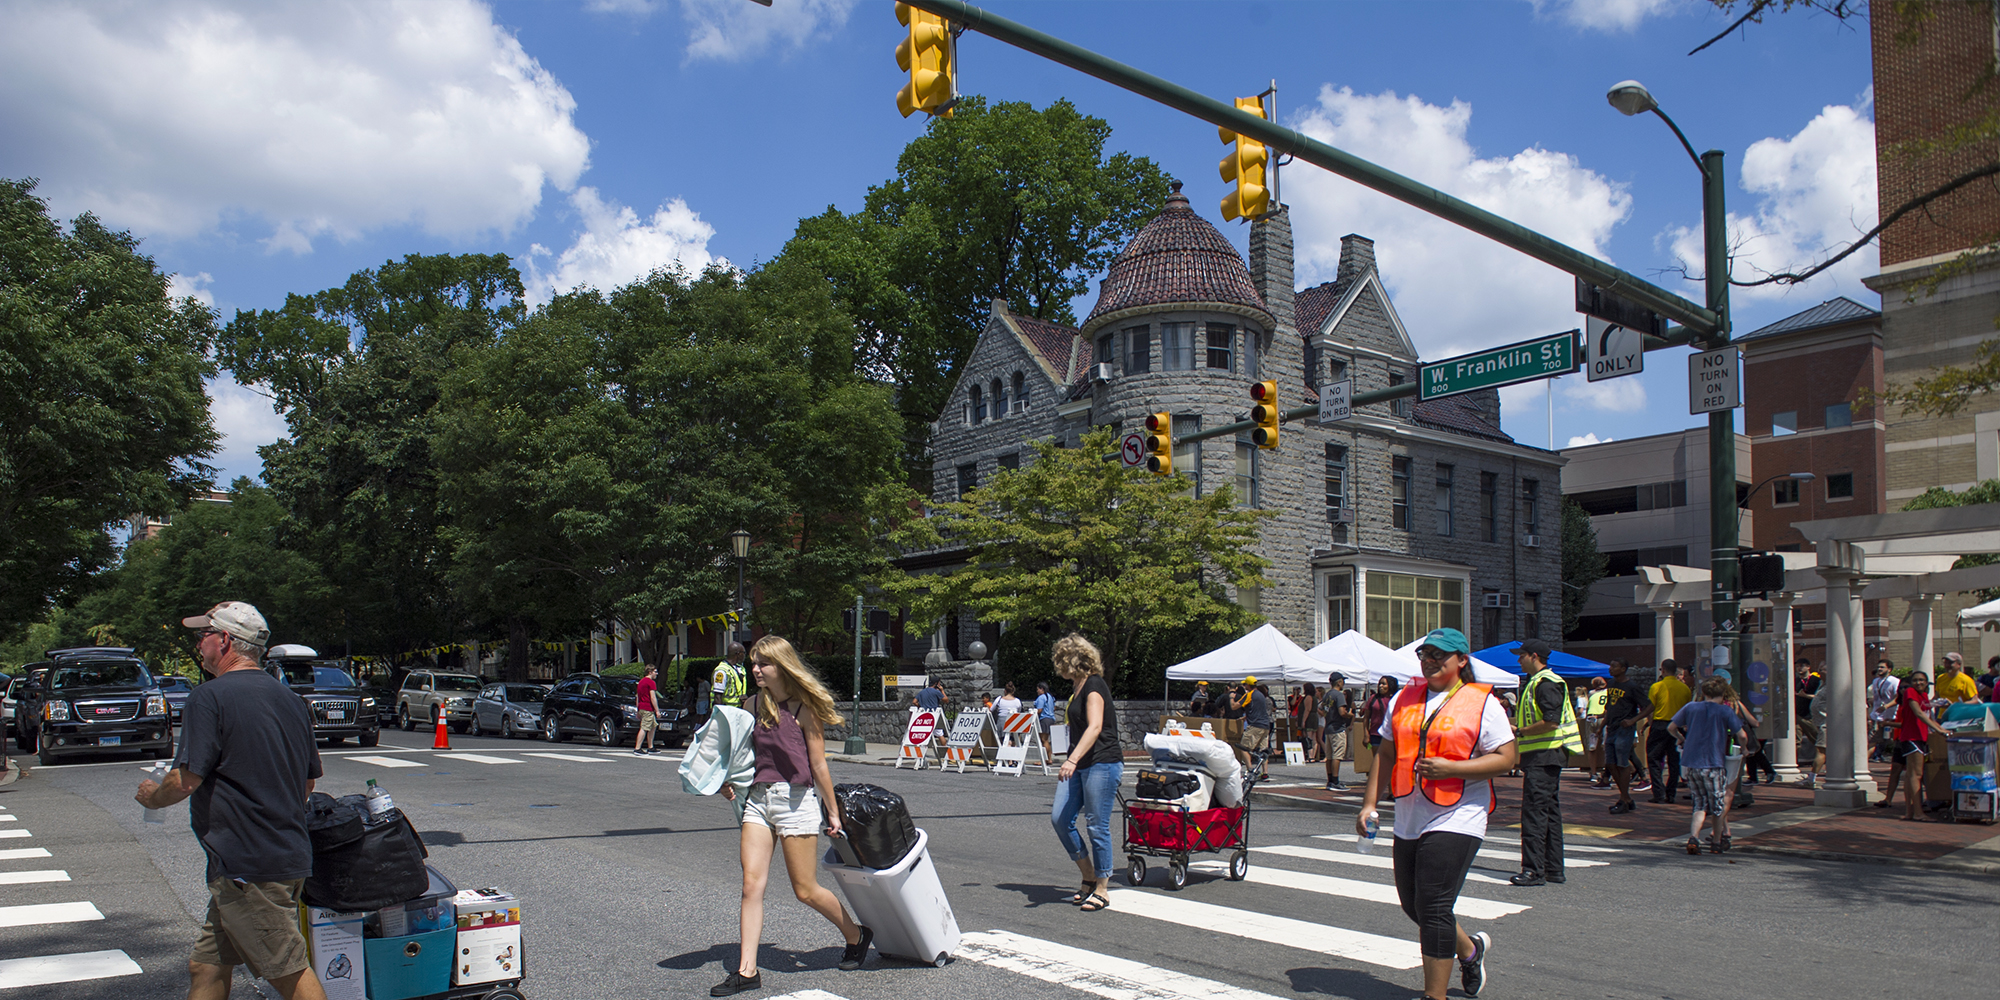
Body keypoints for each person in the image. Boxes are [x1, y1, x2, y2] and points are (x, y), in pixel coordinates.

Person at [134, 602, 327, 1000]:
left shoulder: (209, 697)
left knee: (288, 972)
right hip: (281, 855)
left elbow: (185, 780)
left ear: (224, 640)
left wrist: (153, 798)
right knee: (206, 965)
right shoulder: (291, 701)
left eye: (202, 635)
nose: (198, 643)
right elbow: (307, 783)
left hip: (248, 865)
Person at [1356, 628, 1515, 1000]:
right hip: (1411, 813)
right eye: (1425, 654)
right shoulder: (1403, 698)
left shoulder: (1482, 702)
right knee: (1415, 906)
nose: (1430, 661)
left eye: (1439, 655)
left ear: (1461, 660)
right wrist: (1369, 804)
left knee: (1435, 903)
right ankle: (1470, 950)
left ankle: (1434, 995)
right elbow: (1386, 754)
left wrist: (1454, 769)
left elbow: (1508, 758)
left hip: (1461, 813)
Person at [712, 636, 869, 997]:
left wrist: (833, 813)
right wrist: (726, 781)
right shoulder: (750, 705)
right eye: (753, 663)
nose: (755, 669)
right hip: (757, 801)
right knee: (751, 884)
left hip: (796, 803)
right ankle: (747, 971)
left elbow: (818, 765)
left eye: (762, 663)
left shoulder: (803, 710)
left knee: (805, 890)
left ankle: (857, 935)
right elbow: (736, 754)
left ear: (781, 666)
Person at [1050, 633, 1122, 913]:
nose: (1058, 667)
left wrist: (1072, 759)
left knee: (1096, 825)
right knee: (1060, 818)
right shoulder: (1077, 687)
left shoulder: (1094, 685)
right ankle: (1088, 873)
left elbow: (1095, 727)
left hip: (1102, 762)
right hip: (1080, 763)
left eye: (1060, 661)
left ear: (1072, 659)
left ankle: (1102, 888)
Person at [1510, 639, 1580, 886]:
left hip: (1544, 755)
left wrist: (1521, 731)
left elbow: (1551, 721)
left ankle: (1533, 871)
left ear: (1534, 656)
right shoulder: (1539, 682)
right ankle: (1553, 869)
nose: (1519, 660)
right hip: (1546, 755)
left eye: (1522, 655)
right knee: (1549, 813)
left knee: (1534, 814)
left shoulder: (1545, 682)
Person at [1669, 677, 1753, 855]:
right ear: (1723, 693)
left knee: (1699, 803)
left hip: (1692, 763)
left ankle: (1694, 837)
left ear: (1704, 692)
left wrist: (1681, 739)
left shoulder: (1690, 707)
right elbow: (1742, 735)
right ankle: (1716, 841)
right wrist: (1744, 750)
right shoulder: (1725, 711)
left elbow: (1671, 727)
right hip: (1713, 763)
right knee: (1717, 806)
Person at [1875, 672, 1948, 821]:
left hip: (1921, 737)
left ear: (1927, 683)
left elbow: (1926, 715)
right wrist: (1939, 730)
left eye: (1922, 680)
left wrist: (1940, 726)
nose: (1918, 683)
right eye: (1915, 680)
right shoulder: (1911, 692)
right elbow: (1919, 713)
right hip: (1912, 738)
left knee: (1910, 776)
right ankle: (1919, 812)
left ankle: (1910, 812)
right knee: (1916, 775)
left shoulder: (1924, 696)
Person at [1600, 659, 1651, 814]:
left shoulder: (1632, 687)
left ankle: (1623, 799)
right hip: (1612, 727)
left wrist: (1633, 720)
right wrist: (1601, 726)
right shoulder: (1611, 684)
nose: (1611, 669)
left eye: (1614, 666)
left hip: (1624, 729)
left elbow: (1649, 706)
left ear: (1623, 669)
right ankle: (1626, 798)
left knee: (1622, 763)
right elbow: (1610, 708)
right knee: (1610, 763)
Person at [1646, 658, 1692, 804]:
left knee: (1653, 758)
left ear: (1663, 670)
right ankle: (1671, 793)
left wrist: (1650, 723)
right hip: (1677, 725)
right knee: (1674, 761)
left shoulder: (1657, 686)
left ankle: (1658, 792)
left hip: (1660, 725)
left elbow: (1650, 708)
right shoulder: (1684, 689)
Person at [1322, 673, 1353, 791]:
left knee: (1329, 755)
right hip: (1338, 727)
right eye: (1342, 681)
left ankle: (1330, 780)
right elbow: (1342, 712)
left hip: (1328, 727)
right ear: (1339, 682)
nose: (1343, 683)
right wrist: (1349, 715)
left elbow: (1321, 710)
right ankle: (1335, 780)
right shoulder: (1339, 695)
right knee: (1337, 755)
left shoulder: (1327, 695)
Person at [1867, 660, 1901, 763]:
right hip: (1877, 716)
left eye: (1882, 667)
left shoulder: (1894, 681)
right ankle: (1862, 763)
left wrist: (1886, 706)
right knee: (1872, 739)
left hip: (1891, 716)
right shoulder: (1875, 681)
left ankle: (1898, 761)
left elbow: (1898, 697)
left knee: (1895, 740)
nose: (1879, 669)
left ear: (1889, 669)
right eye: (1878, 667)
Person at [1240, 679, 1275, 777]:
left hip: (1255, 725)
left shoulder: (1250, 695)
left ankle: (1250, 769)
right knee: (1263, 750)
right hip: (1266, 725)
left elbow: (1234, 706)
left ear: (1248, 685)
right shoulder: (1263, 697)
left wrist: (1231, 698)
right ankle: (1265, 773)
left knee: (1244, 747)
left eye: (1244, 684)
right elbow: (1258, 711)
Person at [1583, 676, 1609, 783]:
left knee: (1592, 748)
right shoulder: (1608, 692)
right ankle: (1605, 773)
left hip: (1591, 718)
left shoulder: (1591, 693)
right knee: (1605, 747)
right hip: (1602, 718)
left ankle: (1594, 773)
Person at [634, 663, 662, 755]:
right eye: (655, 672)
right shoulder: (651, 682)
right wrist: (657, 710)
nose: (656, 674)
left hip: (642, 707)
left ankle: (651, 747)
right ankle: (637, 748)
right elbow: (653, 697)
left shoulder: (641, 682)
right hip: (648, 708)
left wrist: (638, 710)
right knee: (644, 728)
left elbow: (637, 697)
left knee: (653, 726)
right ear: (650, 672)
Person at [712, 642, 749, 709]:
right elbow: (717, 697)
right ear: (738, 654)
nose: (744, 656)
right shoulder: (722, 671)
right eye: (744, 653)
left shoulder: (737, 669)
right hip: (727, 711)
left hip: (737, 709)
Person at [1297, 682, 1321, 763]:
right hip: (1314, 717)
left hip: (1309, 718)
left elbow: (1307, 709)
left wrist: (1303, 721)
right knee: (1314, 738)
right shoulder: (1314, 697)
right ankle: (1313, 755)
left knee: (1309, 737)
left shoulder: (1308, 697)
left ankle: (1311, 756)